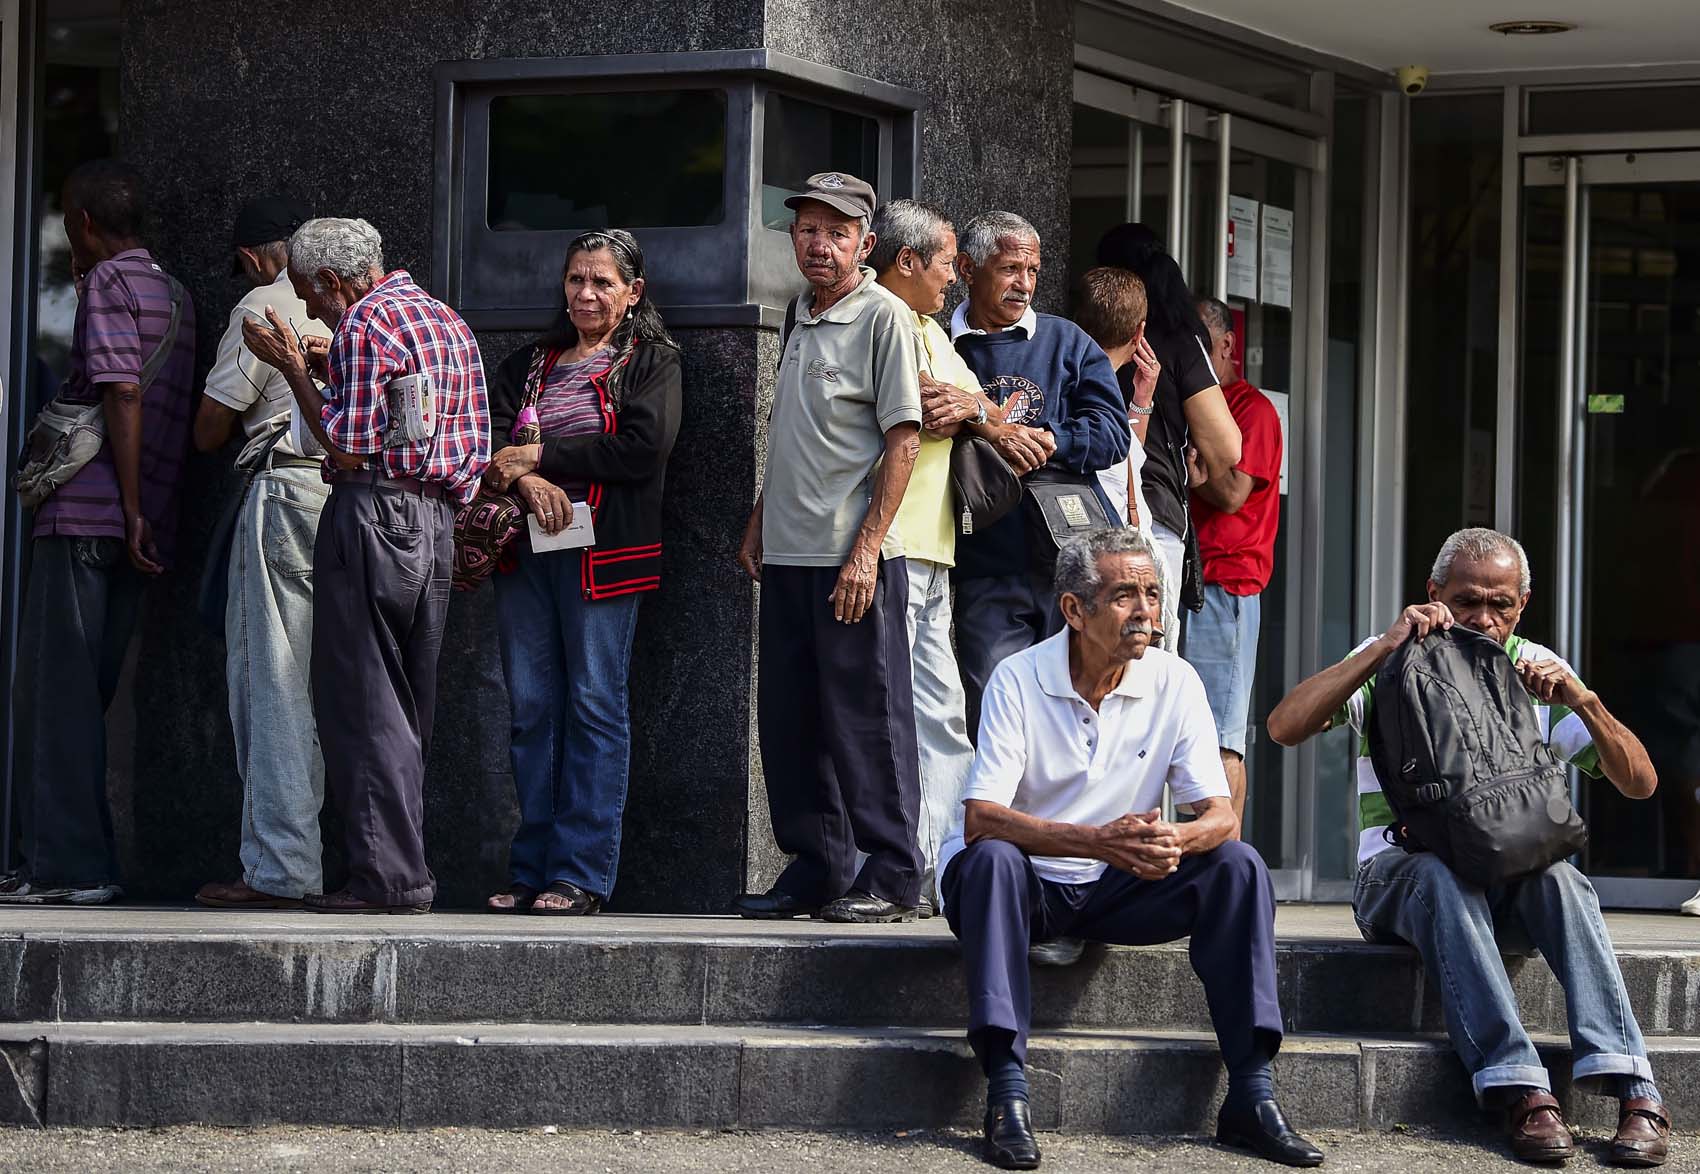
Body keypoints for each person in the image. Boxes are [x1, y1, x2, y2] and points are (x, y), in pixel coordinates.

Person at [1267, 527, 1671, 1166]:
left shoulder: (1534, 669)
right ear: (1434, 594)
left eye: (1500, 604)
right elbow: (1285, 727)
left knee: (1561, 879)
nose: (1484, 618)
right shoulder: (1396, 659)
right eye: (1466, 602)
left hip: (1507, 885)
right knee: (1439, 876)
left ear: (1522, 605)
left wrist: (1583, 701)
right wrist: (1381, 649)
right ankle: (1522, 1091)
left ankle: (1633, 1086)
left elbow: (1640, 783)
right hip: (1399, 880)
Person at [940, 526, 1323, 1171]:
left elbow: (1220, 816)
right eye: (1124, 595)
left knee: (1238, 866)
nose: (1146, 609)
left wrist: (1173, 839)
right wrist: (1098, 840)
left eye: (1152, 592)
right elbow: (981, 818)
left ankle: (1252, 1096)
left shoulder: (1176, 681)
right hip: (1026, 885)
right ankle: (1006, 1092)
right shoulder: (1019, 678)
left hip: (1117, 886)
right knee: (990, 859)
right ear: (1074, 610)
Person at [241, 216, 489, 914]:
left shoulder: (363, 325)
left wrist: (293, 366)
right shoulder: (444, 319)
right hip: (434, 521)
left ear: (331, 280)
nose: (311, 309)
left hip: (372, 514)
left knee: (363, 702)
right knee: (407, 708)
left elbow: (348, 447)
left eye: (309, 294)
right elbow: (411, 418)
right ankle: (399, 871)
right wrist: (331, 368)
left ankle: (387, 880)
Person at [2, 160, 197, 906]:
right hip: (135, 530)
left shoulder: (110, 285)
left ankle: (68, 868)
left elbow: (120, 391)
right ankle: (79, 862)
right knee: (88, 694)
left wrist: (126, 503)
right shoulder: (175, 293)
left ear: (83, 223)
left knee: (58, 697)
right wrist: (146, 510)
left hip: (89, 516)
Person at [732, 173, 925, 925]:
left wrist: (866, 551)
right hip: (788, 552)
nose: (819, 244)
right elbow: (799, 435)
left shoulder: (883, 318)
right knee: (793, 720)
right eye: (808, 229)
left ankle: (891, 872)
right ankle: (818, 865)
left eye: (837, 233)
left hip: (855, 559)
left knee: (868, 719)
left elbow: (902, 440)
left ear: (866, 245)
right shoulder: (799, 314)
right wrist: (759, 518)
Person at [479, 230, 681, 915]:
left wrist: (536, 460)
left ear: (633, 293)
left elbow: (640, 449)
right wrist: (526, 478)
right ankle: (531, 867)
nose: (585, 294)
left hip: (604, 557)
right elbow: (494, 445)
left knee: (595, 705)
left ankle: (580, 875)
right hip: (524, 555)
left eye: (601, 282)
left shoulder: (650, 362)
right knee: (532, 709)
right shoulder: (528, 364)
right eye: (575, 280)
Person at [192, 196, 332, 911]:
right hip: (357, 501)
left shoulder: (264, 300)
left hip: (284, 493)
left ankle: (281, 868)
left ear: (252, 256)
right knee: (344, 692)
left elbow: (212, 427)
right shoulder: (362, 307)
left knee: (272, 683)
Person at [949, 212, 1130, 742]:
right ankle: (1007, 825)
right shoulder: (940, 347)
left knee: (1081, 710)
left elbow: (1112, 435)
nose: (1024, 283)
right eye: (1009, 268)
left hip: (1072, 563)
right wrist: (983, 433)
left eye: (1032, 269)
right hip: (984, 561)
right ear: (967, 268)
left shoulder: (1067, 341)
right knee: (995, 710)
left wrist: (1052, 439)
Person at [869, 199, 1002, 916]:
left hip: (933, 548)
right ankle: (892, 868)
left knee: (942, 714)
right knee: (887, 715)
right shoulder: (875, 317)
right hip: (885, 545)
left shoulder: (929, 329)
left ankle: (939, 871)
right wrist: (968, 411)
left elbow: (984, 411)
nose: (956, 277)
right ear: (907, 262)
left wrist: (973, 409)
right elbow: (922, 407)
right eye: (948, 262)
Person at [1095, 224, 1241, 648]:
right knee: (1153, 663)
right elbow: (1228, 446)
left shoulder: (1080, 333)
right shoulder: (1179, 338)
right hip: (1154, 510)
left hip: (1089, 512)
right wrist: (1190, 466)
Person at [1185, 295, 1283, 831]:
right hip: (1180, 583)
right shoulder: (1187, 399)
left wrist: (1200, 469)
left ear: (1227, 346)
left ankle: (1224, 872)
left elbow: (1230, 494)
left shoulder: (1254, 410)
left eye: (1202, 342)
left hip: (1227, 587)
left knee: (1220, 738)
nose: (1192, 354)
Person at [1071, 265, 1170, 600]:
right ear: (1139, 333)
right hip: (1109, 564)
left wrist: (1141, 399)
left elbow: (1122, 455)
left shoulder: (1069, 382)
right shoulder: (1094, 389)